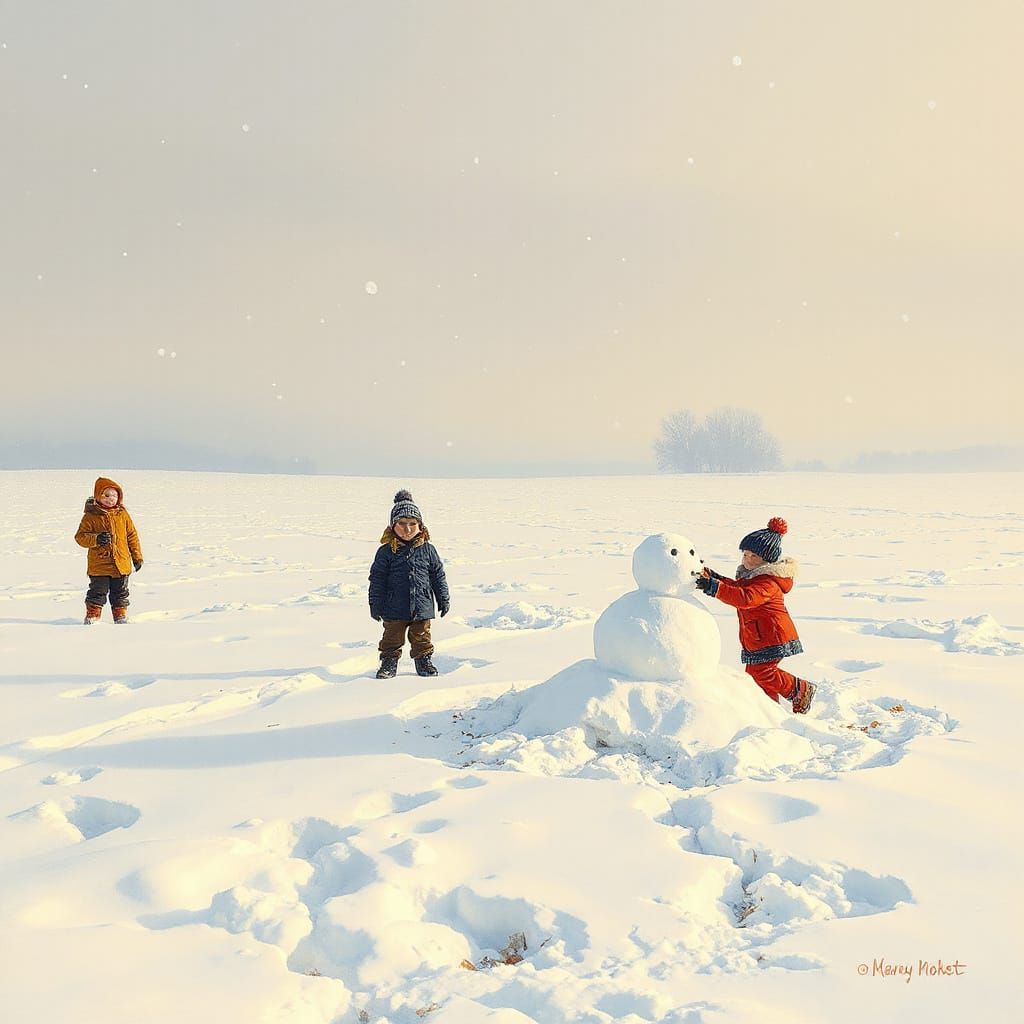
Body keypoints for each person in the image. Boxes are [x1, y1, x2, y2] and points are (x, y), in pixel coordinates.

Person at [695, 516, 816, 713]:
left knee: (763, 672)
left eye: (754, 557)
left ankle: (800, 690)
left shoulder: (767, 582)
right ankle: (769, 710)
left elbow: (745, 598)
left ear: (767, 560)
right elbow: (735, 587)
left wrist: (714, 588)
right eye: (746, 555)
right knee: (756, 676)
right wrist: (713, 577)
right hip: (759, 636)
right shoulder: (752, 577)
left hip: (772, 636)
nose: (748, 560)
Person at [368, 489, 450, 678]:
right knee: (391, 638)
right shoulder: (386, 552)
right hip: (393, 607)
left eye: (413, 524)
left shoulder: (428, 549)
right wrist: (375, 604)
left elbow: (438, 576)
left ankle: (423, 661)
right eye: (402, 524)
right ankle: (389, 662)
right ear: (393, 526)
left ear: (420, 526)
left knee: (422, 637)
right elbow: (377, 580)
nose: (408, 529)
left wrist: (443, 599)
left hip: (422, 605)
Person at [74, 476, 143, 624]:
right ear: (98, 496)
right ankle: (93, 615)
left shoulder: (123, 515)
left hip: (121, 563)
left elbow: (132, 536)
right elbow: (80, 537)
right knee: (97, 592)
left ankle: (120, 616)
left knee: (120, 593)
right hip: (100, 566)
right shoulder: (91, 516)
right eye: (106, 495)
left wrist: (137, 558)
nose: (110, 499)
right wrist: (96, 539)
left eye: (114, 495)